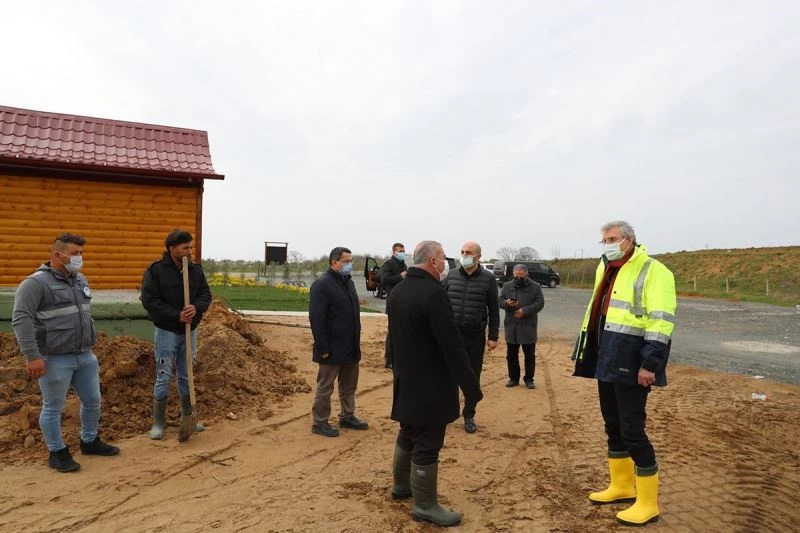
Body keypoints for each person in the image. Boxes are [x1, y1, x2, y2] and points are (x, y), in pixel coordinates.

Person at [572, 221, 676, 527]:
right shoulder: (606, 267)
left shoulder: (655, 271)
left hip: (633, 361)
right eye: (603, 240)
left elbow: (661, 322)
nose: (607, 244)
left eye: (612, 239)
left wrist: (650, 364)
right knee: (613, 424)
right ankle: (621, 486)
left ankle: (647, 503)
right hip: (607, 358)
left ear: (629, 240)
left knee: (633, 429)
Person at [387, 240, 482, 527]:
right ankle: (425, 505)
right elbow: (452, 345)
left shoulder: (397, 291)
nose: (445, 263)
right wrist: (471, 387)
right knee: (428, 441)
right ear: (431, 261)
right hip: (431, 383)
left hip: (406, 378)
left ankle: (402, 487)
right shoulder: (433, 294)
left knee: (408, 432)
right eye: (442, 258)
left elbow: (393, 338)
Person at [11, 233, 120, 472]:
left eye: (81, 253)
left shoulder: (80, 280)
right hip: (54, 357)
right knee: (53, 406)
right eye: (74, 254)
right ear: (57, 255)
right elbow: (21, 319)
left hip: (84, 355)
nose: (79, 258)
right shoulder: (35, 284)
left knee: (93, 400)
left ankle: (89, 441)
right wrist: (32, 356)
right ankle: (57, 451)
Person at [140, 230, 212, 440]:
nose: (189, 251)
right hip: (167, 331)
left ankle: (188, 418)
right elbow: (149, 300)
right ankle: (158, 423)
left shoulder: (195, 270)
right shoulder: (156, 271)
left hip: (190, 331)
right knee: (163, 375)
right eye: (185, 248)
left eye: (190, 247)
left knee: (186, 375)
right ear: (172, 249)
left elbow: (205, 294)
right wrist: (176, 315)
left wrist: (196, 308)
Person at [308, 246, 368, 437]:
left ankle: (347, 416)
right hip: (331, 348)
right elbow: (317, 319)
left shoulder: (348, 283)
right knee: (325, 387)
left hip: (350, 346)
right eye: (346, 261)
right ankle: (319, 422)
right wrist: (323, 346)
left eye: (351, 261)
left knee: (349, 385)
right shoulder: (322, 285)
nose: (350, 264)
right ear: (334, 262)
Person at [442, 240, 499, 433]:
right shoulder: (450, 276)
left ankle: (469, 414)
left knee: (472, 377)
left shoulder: (488, 279)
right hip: (451, 336)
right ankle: (448, 412)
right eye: (462, 251)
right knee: (448, 375)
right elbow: (439, 305)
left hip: (475, 336)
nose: (464, 255)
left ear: (478, 257)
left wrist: (493, 336)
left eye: (468, 252)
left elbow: (493, 309)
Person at [499, 264, 545, 389]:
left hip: (528, 326)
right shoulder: (507, 286)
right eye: (516, 276)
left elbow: (540, 303)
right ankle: (513, 378)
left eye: (521, 276)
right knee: (511, 355)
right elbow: (499, 300)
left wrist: (525, 310)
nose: (518, 279)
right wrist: (507, 304)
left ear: (526, 274)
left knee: (529, 355)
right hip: (511, 326)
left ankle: (529, 379)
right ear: (513, 274)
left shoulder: (535, 287)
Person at [379, 243, 407, 368]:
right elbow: (384, 280)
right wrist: (400, 276)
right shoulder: (388, 264)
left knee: (402, 331)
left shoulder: (403, 264)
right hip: (393, 302)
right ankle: (389, 360)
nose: (403, 253)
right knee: (392, 332)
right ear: (394, 252)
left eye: (404, 250)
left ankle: (399, 357)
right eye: (400, 251)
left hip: (403, 301)